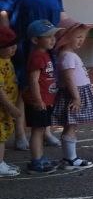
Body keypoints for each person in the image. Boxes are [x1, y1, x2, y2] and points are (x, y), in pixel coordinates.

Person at [0, 0, 65, 152]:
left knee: (46, 83)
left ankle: (44, 130)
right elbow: (3, 15)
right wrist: (7, 42)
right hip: (21, 45)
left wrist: (74, 31)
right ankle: (20, 133)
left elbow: (61, 14)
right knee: (23, 87)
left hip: (47, 44)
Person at [51, 19, 93, 170]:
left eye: (83, 37)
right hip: (74, 94)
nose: (81, 40)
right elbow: (69, 78)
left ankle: (69, 158)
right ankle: (70, 159)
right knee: (71, 126)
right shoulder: (68, 56)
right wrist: (76, 97)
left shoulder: (68, 55)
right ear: (65, 38)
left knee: (71, 126)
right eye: (77, 37)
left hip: (75, 92)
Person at [23, 19, 59, 174]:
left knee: (42, 129)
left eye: (53, 36)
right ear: (35, 40)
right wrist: (38, 100)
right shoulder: (37, 57)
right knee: (37, 130)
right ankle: (36, 161)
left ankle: (40, 157)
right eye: (48, 36)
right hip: (38, 102)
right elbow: (33, 80)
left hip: (45, 101)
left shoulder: (45, 54)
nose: (53, 39)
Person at [0, 25, 21, 176]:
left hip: (5, 109)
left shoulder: (6, 59)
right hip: (2, 108)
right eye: (9, 46)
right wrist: (10, 107)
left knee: (3, 135)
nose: (14, 48)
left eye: (15, 45)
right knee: (0, 137)